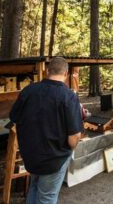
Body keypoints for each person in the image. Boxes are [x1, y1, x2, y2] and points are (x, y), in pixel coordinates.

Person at [9, 57, 83, 204]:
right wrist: (69, 150)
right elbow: (74, 137)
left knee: (35, 188)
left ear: (47, 71)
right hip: (54, 158)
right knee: (47, 197)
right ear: (66, 73)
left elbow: (14, 118)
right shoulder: (69, 96)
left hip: (30, 155)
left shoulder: (28, 91)